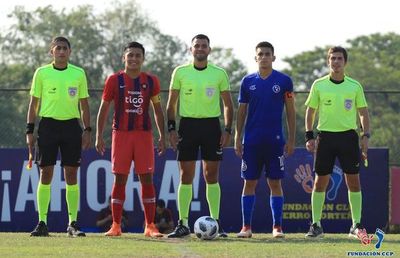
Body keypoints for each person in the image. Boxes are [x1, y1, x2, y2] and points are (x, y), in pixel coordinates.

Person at [166, 34, 233, 238]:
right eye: (197, 46)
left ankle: (216, 223)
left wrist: (228, 129)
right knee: (186, 176)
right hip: (187, 126)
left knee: (210, 175)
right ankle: (182, 223)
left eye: (204, 46)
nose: (200, 49)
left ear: (209, 50)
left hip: (211, 126)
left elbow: (228, 105)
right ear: (191, 49)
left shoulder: (219, 73)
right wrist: (171, 129)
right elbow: (171, 104)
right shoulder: (180, 72)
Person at [96, 41, 165, 238]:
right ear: (123, 58)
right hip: (121, 135)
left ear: (143, 59)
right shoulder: (113, 80)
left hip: (143, 136)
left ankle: (150, 225)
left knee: (147, 178)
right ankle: (116, 225)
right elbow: (104, 109)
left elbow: (157, 110)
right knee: (120, 178)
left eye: (138, 55)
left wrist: (162, 136)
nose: (134, 58)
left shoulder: (151, 81)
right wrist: (99, 135)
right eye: (130, 55)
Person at [26, 36, 91, 237]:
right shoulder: (42, 73)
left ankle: (73, 223)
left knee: (71, 174)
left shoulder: (78, 73)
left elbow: (84, 105)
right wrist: (29, 131)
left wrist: (87, 130)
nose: (62, 51)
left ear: (70, 52)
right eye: (58, 48)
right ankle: (42, 222)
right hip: (48, 127)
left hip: (71, 128)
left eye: (65, 48)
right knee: (46, 174)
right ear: (51, 51)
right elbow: (34, 104)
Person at [304, 46, 370, 239]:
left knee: (354, 181)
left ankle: (356, 226)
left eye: (339, 58)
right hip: (325, 137)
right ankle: (316, 225)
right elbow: (310, 112)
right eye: (332, 58)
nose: (336, 62)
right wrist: (309, 136)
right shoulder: (319, 84)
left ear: (345, 62)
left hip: (349, 138)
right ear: (328, 61)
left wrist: (365, 136)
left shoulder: (354, 86)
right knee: (320, 182)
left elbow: (363, 112)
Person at [234, 41, 296, 239]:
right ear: (255, 58)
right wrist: (237, 137)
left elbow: (291, 112)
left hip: (275, 140)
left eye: (267, 54)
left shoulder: (284, 81)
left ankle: (277, 227)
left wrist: (292, 139)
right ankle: (246, 227)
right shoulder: (247, 81)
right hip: (251, 140)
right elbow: (241, 112)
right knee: (249, 183)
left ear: (273, 57)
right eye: (260, 54)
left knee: (275, 183)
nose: (264, 57)